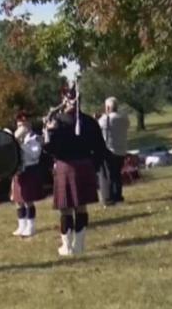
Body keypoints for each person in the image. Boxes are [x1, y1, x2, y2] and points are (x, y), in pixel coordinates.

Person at [43, 83, 107, 256]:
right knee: (79, 207)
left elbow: (49, 149)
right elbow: (101, 149)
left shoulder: (58, 121)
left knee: (68, 208)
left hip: (66, 166)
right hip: (84, 166)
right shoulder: (89, 122)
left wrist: (50, 133)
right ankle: (77, 245)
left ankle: (70, 246)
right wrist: (92, 166)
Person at [10, 112, 44, 238]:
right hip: (19, 171)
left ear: (28, 124)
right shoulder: (16, 139)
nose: (20, 128)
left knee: (28, 200)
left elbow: (35, 154)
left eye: (23, 125)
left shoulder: (35, 138)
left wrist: (21, 145)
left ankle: (31, 226)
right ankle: (21, 225)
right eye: (18, 125)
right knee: (18, 201)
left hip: (30, 169)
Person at [98, 97, 129, 206]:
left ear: (108, 107)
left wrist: (101, 116)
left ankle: (109, 197)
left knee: (108, 176)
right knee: (117, 175)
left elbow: (98, 127)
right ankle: (118, 196)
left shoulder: (105, 119)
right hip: (121, 150)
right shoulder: (124, 118)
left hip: (110, 150)